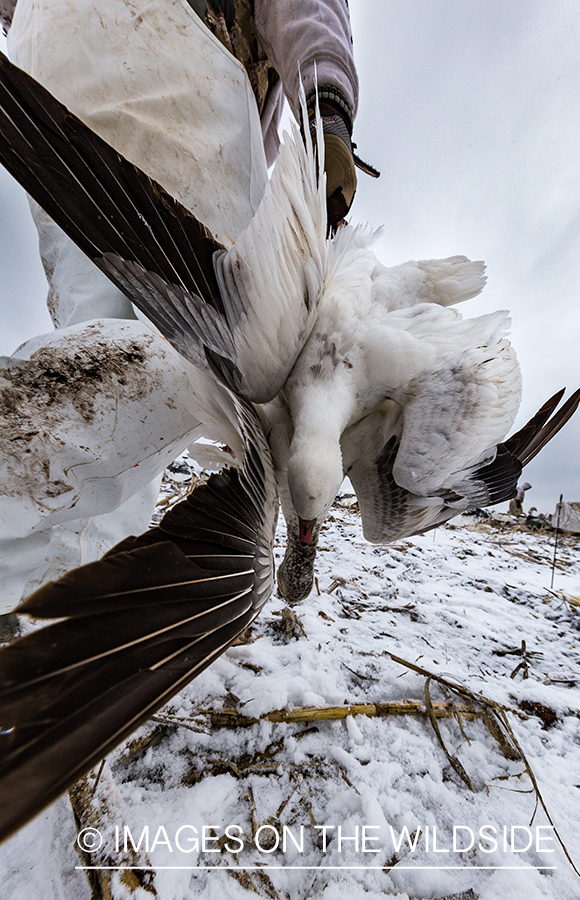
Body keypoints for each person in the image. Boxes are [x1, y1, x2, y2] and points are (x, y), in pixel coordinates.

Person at [0, 0, 372, 613]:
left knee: (89, 348)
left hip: (62, 58)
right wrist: (326, 110)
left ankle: (41, 595)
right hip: (186, 87)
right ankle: (54, 617)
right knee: (150, 392)